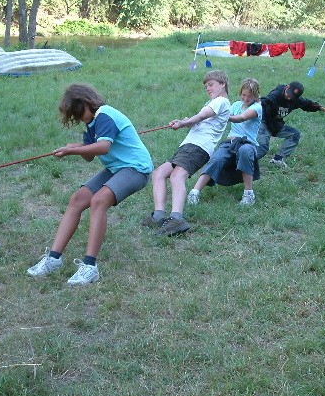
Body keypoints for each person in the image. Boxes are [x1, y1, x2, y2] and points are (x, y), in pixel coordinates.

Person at [27, 84, 153, 286]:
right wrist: (78, 147)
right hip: (116, 168)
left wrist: (73, 150)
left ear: (86, 102)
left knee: (99, 200)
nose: (79, 119)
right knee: (77, 199)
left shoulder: (105, 115)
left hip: (136, 169)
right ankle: (53, 259)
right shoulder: (91, 123)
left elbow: (103, 147)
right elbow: (90, 156)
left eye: (79, 113)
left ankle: (90, 267)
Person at [142, 70, 231, 236]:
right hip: (190, 146)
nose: (208, 88)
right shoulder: (214, 102)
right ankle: (159, 215)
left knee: (177, 176)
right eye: (206, 86)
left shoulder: (221, 101)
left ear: (222, 84)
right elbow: (200, 120)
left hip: (198, 146)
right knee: (159, 173)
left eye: (211, 84)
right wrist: (185, 122)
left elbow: (201, 116)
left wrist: (184, 123)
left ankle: (177, 219)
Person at [187, 78, 262, 206]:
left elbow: (241, 118)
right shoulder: (236, 105)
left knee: (245, 151)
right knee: (216, 158)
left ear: (256, 95)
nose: (246, 98)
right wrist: (194, 120)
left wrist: (221, 115)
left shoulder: (257, 108)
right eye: (244, 95)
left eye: (249, 96)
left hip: (247, 143)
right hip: (230, 142)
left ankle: (249, 194)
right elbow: (216, 117)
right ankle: (194, 192)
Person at [257, 81, 325, 167]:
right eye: (288, 94)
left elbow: (309, 104)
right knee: (263, 149)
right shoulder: (276, 94)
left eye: (292, 97)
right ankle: (247, 161)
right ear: (287, 87)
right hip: (264, 122)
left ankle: (278, 159)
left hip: (276, 124)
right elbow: (264, 101)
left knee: (294, 134)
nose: (289, 98)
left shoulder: (295, 100)